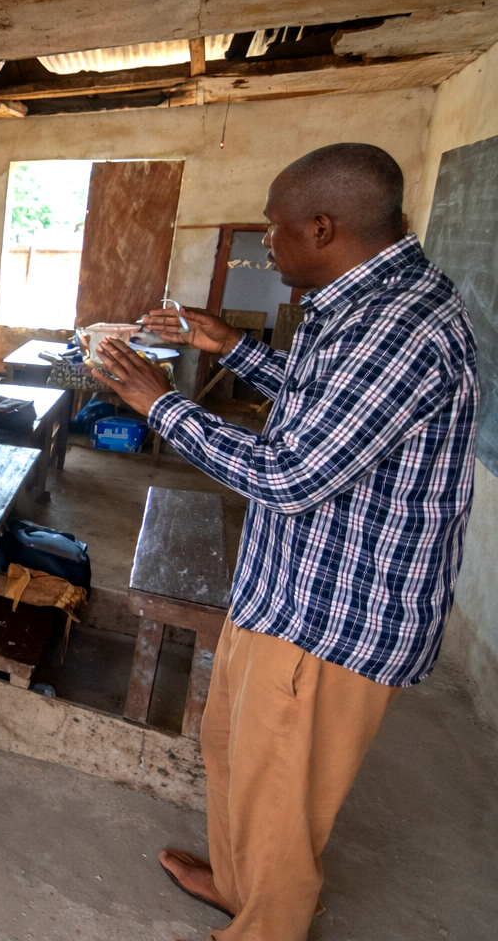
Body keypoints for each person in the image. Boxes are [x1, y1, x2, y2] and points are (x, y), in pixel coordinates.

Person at [88, 143, 477, 941]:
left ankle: (269, 925)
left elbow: (290, 474)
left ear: (322, 227)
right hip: (287, 588)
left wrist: (158, 404)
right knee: (236, 751)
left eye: (274, 227)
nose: (267, 242)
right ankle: (241, 887)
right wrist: (231, 347)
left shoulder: (399, 328)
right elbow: (319, 401)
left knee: (279, 792)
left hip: (333, 616)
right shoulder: (362, 303)